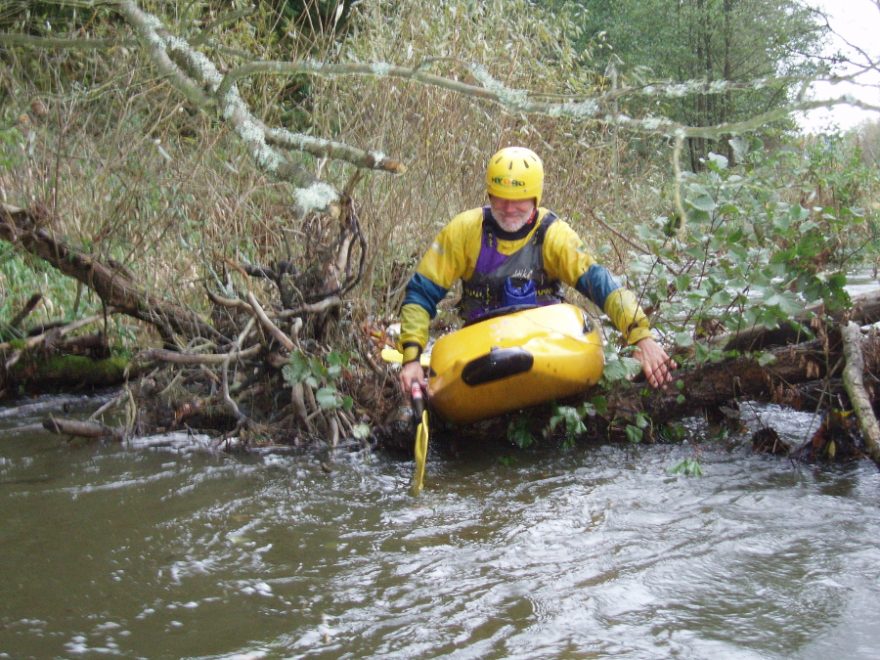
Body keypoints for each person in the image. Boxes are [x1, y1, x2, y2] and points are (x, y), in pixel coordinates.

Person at [398, 146, 676, 396]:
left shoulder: (553, 235)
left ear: (535, 198)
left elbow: (601, 284)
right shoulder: (464, 232)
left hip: (546, 340)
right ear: (489, 195)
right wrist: (411, 360)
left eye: (519, 200)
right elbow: (420, 295)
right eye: (500, 199)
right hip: (483, 344)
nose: (508, 209)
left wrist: (642, 337)